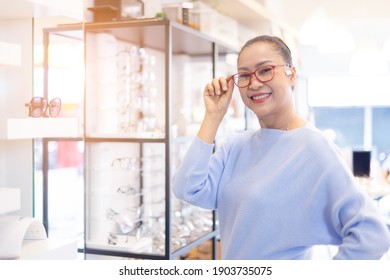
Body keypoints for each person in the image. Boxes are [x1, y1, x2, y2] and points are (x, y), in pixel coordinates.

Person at [172, 35, 390, 260]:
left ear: (291, 74)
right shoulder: (236, 146)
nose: (254, 83)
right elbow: (187, 188)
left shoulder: (314, 149)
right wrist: (213, 117)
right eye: (244, 75)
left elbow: (372, 236)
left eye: (265, 70)